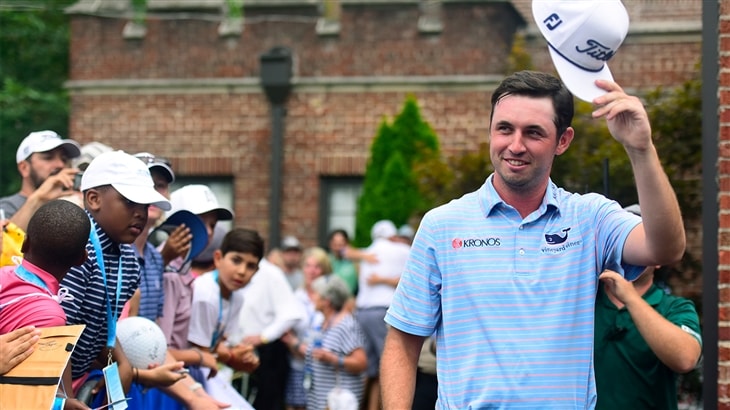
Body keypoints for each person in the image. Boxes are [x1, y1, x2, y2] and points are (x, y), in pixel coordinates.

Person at [380, 70, 686, 408]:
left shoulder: (590, 218)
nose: (515, 145)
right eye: (505, 129)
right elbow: (402, 342)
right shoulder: (442, 225)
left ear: (563, 141)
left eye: (533, 133)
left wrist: (641, 149)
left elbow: (666, 248)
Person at [57, 151, 219, 409]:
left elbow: (102, 326)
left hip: (81, 376)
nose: (140, 214)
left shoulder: (129, 261)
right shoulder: (77, 247)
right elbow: (58, 331)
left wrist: (122, 362)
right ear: (94, 199)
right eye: (130, 202)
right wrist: (64, 399)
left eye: (145, 205)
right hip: (49, 381)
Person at [593, 205, 702, 410]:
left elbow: (686, 359)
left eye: (641, 243)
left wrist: (631, 299)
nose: (632, 250)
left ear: (658, 258)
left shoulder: (674, 308)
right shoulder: (586, 301)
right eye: (624, 242)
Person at [0, 199, 90, 410]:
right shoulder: (49, 315)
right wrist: (63, 404)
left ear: (25, 243)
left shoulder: (3, 274)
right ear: (82, 259)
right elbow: (26, 395)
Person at [187, 228, 263, 407]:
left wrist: (245, 356)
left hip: (204, 369)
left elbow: (221, 342)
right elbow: (200, 350)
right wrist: (232, 357)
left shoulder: (237, 297)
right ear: (218, 258)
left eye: (250, 266)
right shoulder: (206, 293)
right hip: (184, 372)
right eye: (236, 260)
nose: (242, 271)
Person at [234, 240, 306, 410]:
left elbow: (293, 313)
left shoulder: (271, 274)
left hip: (267, 355)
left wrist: (264, 336)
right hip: (238, 352)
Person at [354, 220, 410, 410]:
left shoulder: (367, 252)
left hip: (362, 313)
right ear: (393, 235)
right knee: (389, 367)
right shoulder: (401, 250)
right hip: (382, 312)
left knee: (370, 371)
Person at [294, 275, 367, 410]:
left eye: (315, 294)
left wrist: (333, 359)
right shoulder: (325, 323)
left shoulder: (346, 325)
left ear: (326, 301)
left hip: (338, 402)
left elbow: (361, 362)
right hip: (321, 401)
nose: (312, 298)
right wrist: (293, 342)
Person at [0, 130, 81, 231]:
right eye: (48, 158)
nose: (60, 164)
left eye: (64, 159)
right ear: (24, 168)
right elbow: (6, 243)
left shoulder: (72, 206)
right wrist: (39, 198)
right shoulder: (6, 207)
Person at [281, 246, 331, 410]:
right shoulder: (296, 296)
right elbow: (286, 332)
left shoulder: (330, 299)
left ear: (324, 270)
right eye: (308, 266)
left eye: (317, 266)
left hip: (325, 367)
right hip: (298, 364)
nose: (312, 271)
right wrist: (296, 347)